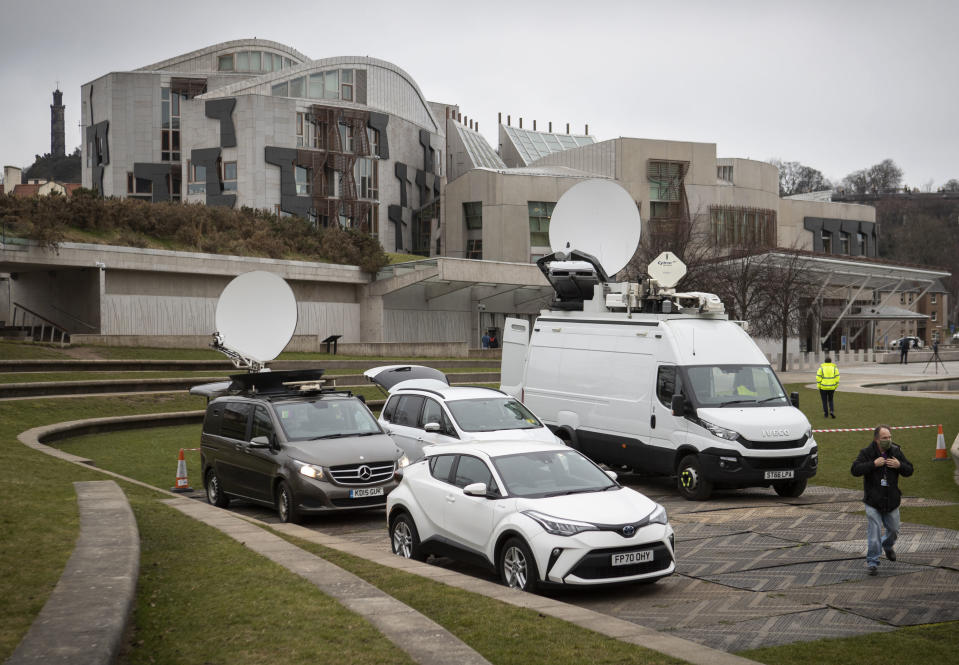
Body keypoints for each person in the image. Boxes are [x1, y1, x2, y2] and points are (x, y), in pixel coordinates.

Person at [850, 425, 914, 576]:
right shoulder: (867, 453)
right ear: (876, 439)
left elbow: (910, 469)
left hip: (891, 501)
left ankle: (887, 545)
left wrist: (899, 466)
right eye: (885, 438)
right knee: (874, 531)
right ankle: (872, 561)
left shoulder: (896, 452)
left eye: (890, 437)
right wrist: (873, 464)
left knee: (893, 530)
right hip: (873, 501)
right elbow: (855, 470)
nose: (888, 440)